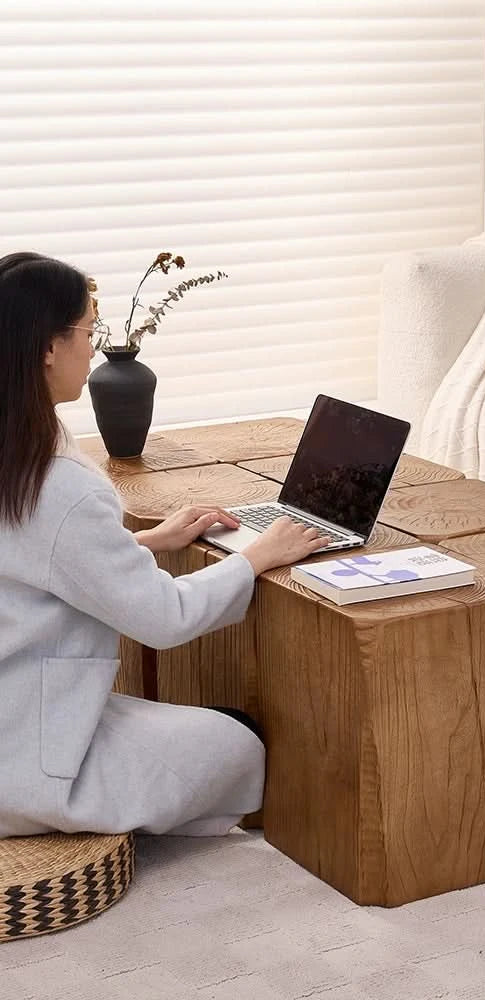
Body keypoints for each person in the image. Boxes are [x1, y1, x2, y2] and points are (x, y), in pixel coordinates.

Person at [0, 251, 329, 838]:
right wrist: (260, 554)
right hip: (26, 754)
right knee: (240, 743)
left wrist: (144, 541)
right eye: (88, 329)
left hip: (18, 709)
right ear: (48, 347)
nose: (95, 346)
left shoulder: (17, 454)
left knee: (203, 729)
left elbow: (34, 560)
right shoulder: (58, 483)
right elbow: (165, 618)